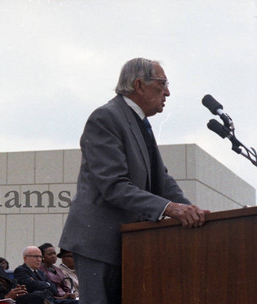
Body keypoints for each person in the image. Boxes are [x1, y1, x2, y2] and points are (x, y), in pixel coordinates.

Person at [58, 57, 210, 304]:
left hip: (131, 244)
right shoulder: (106, 118)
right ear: (139, 85)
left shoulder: (140, 123)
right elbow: (113, 185)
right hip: (100, 244)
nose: (168, 92)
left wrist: (191, 209)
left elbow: (163, 180)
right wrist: (171, 208)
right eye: (162, 84)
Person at [14, 246, 78, 304]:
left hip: (51, 300)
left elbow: (54, 289)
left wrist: (44, 285)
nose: (39, 260)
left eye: (40, 257)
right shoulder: (21, 270)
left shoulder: (40, 272)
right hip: (36, 301)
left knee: (77, 302)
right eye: (35, 256)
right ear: (25, 258)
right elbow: (31, 285)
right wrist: (47, 284)